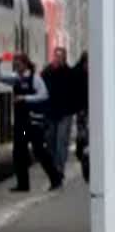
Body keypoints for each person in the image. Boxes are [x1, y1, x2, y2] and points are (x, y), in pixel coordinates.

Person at [0, 52, 63, 192]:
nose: (15, 66)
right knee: (19, 151)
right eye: (14, 64)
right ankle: (23, 184)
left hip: (34, 121)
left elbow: (44, 94)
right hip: (22, 123)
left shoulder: (35, 78)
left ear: (25, 64)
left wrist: (25, 98)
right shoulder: (16, 79)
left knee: (39, 150)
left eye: (18, 63)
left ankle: (55, 178)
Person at [41, 46, 74, 181]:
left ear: (64, 59)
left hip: (65, 113)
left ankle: (59, 169)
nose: (58, 59)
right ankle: (54, 167)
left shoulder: (69, 73)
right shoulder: (46, 72)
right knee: (50, 142)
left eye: (61, 57)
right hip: (50, 113)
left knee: (61, 141)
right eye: (56, 56)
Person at [73, 51, 89, 181]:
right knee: (82, 136)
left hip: (88, 110)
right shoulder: (77, 73)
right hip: (82, 110)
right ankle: (82, 155)